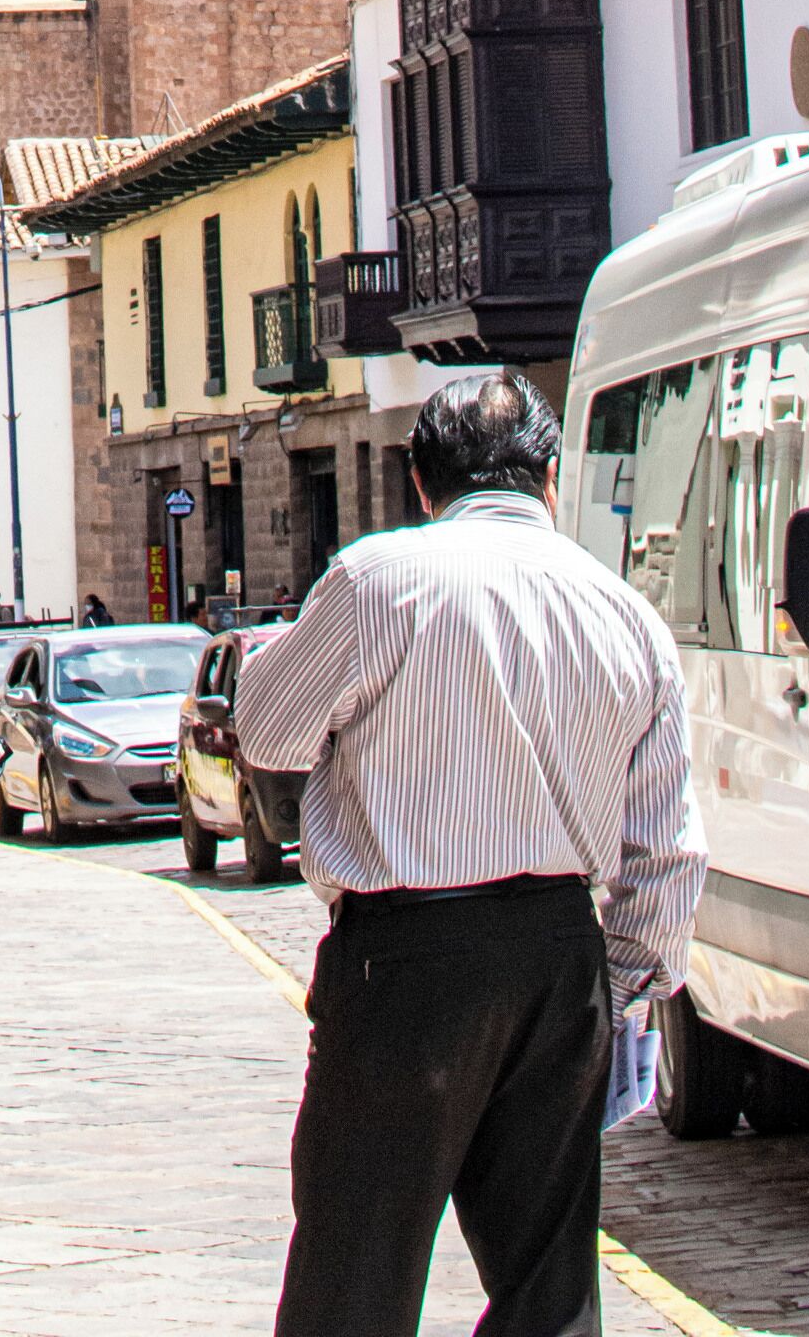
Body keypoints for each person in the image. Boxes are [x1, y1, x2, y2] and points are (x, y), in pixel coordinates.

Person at [233, 369, 705, 1337]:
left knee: (350, 1287)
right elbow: (666, 858)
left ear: (421, 483)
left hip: (403, 960)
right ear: (550, 479)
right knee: (550, 1291)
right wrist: (607, 990)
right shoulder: (626, 616)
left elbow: (267, 732)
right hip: (556, 956)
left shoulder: (375, 582)